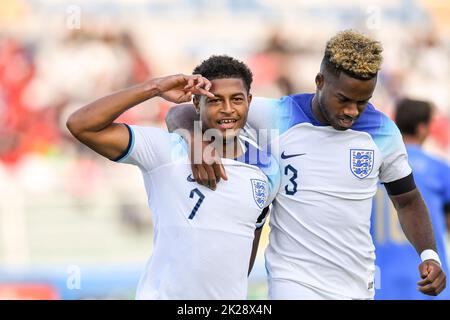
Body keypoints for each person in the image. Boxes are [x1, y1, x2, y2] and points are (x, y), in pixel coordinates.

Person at [166, 30, 447, 299]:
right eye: (344, 100)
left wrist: (429, 254)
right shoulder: (275, 116)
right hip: (293, 279)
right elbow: (180, 112)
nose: (352, 111)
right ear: (320, 81)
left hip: (358, 283)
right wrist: (194, 142)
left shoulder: (383, 132)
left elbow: (408, 201)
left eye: (363, 102)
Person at [66, 55, 280, 299]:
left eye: (237, 99)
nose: (228, 109)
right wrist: (154, 87)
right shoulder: (165, 151)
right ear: (196, 105)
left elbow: (245, 252)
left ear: (249, 101)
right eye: (215, 100)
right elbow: (80, 124)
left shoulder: (268, 168)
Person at [371, 98, 450, 299]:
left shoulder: (373, 167)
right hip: (428, 278)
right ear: (423, 128)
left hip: (380, 280)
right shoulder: (438, 168)